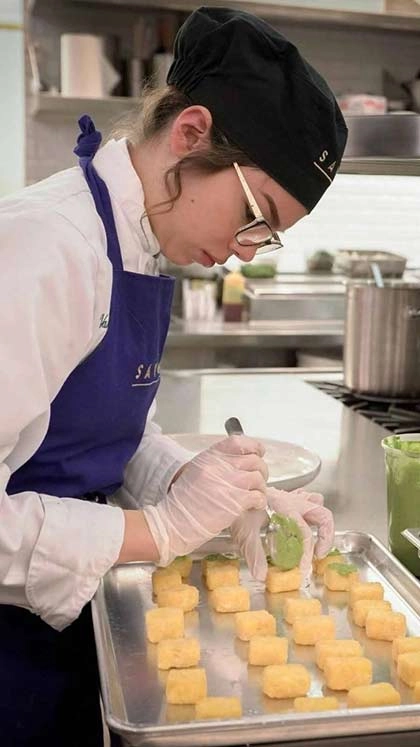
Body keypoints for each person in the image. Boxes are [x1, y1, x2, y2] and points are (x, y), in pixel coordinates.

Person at [0, 6, 346, 746]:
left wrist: (221, 495)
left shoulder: (144, 241)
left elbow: (107, 436)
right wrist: (161, 528)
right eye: (257, 216)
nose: (251, 250)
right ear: (189, 135)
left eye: (271, 234)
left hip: (70, 621)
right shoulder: (46, 249)